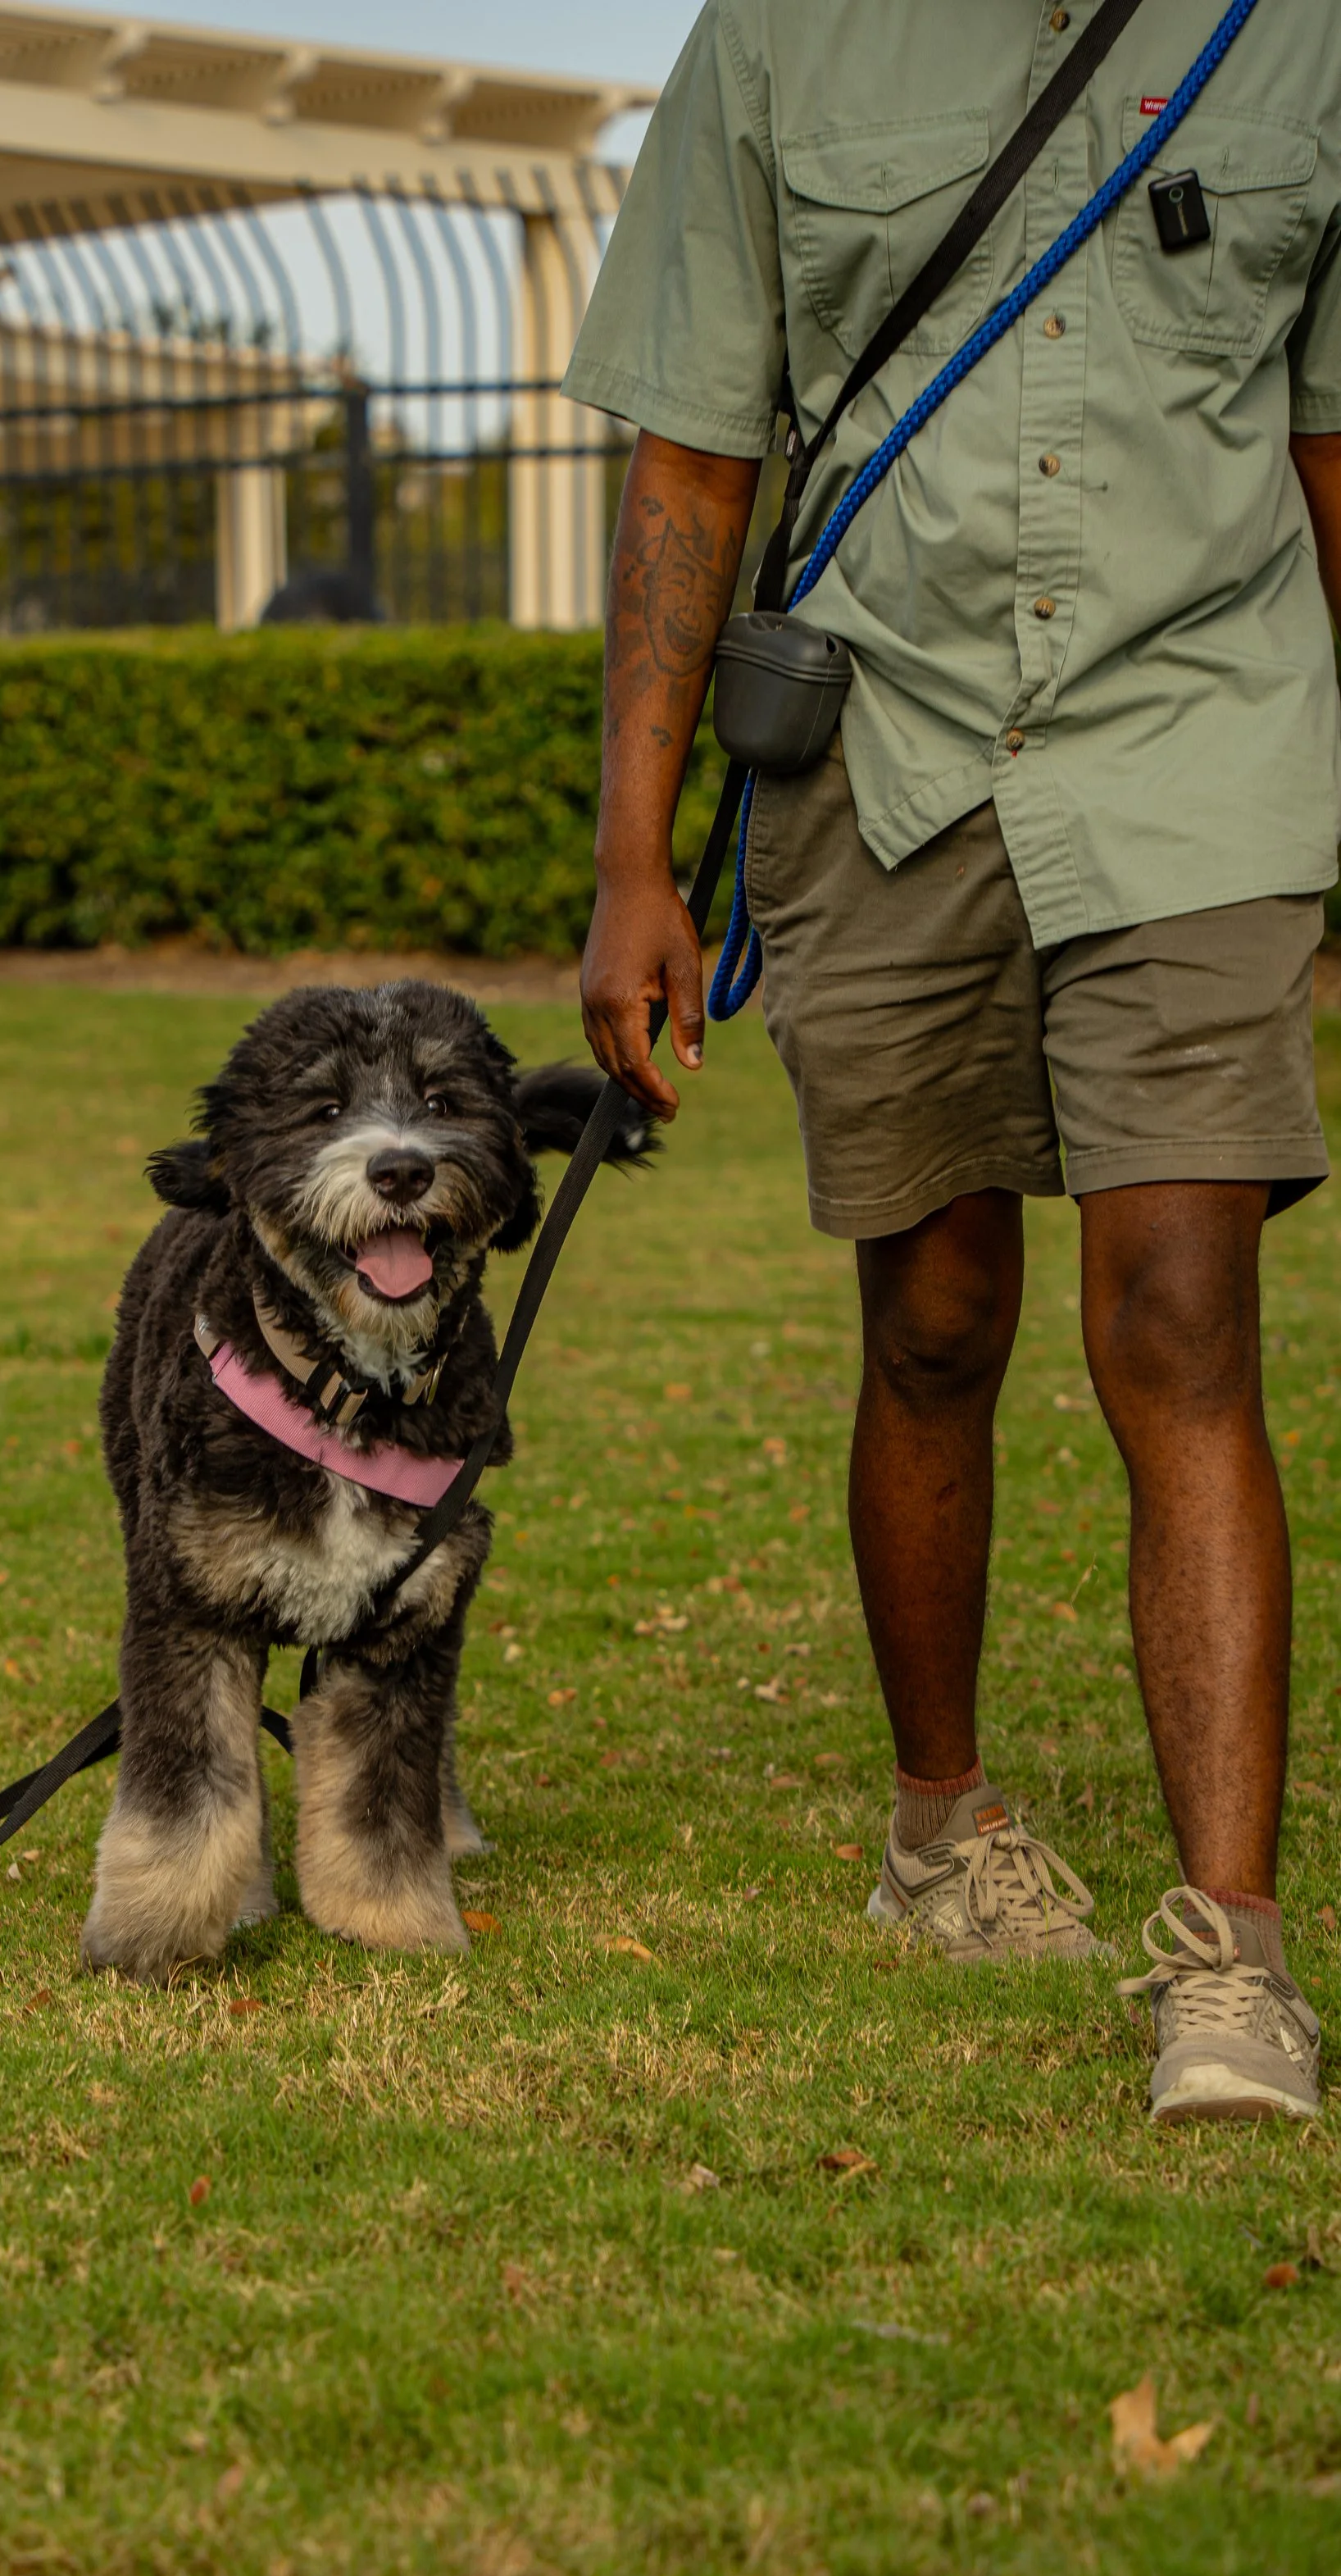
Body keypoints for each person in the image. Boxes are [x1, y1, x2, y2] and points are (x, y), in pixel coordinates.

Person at [567, 0, 1341, 2123]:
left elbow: (1328, 446)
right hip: (884, 767)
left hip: (1203, 757)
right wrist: (635, 857)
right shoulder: (777, 42)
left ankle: (1227, 1957)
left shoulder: (1301, 41)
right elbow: (688, 463)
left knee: (1178, 1307)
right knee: (930, 1317)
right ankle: (940, 1823)